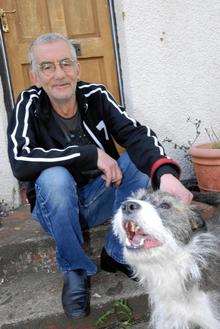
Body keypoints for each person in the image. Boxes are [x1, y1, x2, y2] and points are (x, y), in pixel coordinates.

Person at [7, 33, 193, 319]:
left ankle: (117, 254)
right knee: (55, 177)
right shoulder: (29, 104)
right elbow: (20, 160)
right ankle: (75, 270)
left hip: (97, 199)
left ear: (77, 69)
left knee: (136, 160)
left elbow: (137, 135)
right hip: (54, 208)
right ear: (35, 76)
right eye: (47, 67)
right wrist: (89, 154)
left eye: (66, 63)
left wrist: (166, 174)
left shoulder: (96, 96)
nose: (59, 74)